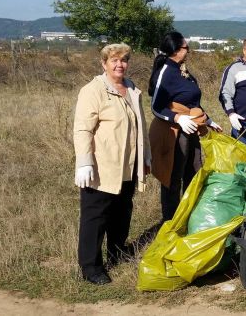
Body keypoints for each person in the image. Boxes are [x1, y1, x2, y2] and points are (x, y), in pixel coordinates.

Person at [73, 43, 151, 285]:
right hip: (102, 166)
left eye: (124, 60)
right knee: (95, 217)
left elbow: (141, 127)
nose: (120, 65)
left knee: (121, 214)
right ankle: (91, 267)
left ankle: (117, 252)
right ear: (104, 63)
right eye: (114, 60)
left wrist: (145, 156)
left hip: (127, 165)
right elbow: (83, 129)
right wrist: (84, 162)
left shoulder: (131, 88)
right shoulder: (93, 90)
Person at [149, 32, 221, 223]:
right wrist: (177, 118)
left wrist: (209, 120)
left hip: (192, 130)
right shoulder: (165, 71)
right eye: (185, 48)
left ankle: (190, 216)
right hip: (174, 133)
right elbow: (156, 106)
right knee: (173, 176)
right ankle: (171, 221)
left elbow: (192, 101)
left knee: (194, 172)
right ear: (175, 50)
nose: (188, 51)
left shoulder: (184, 70)